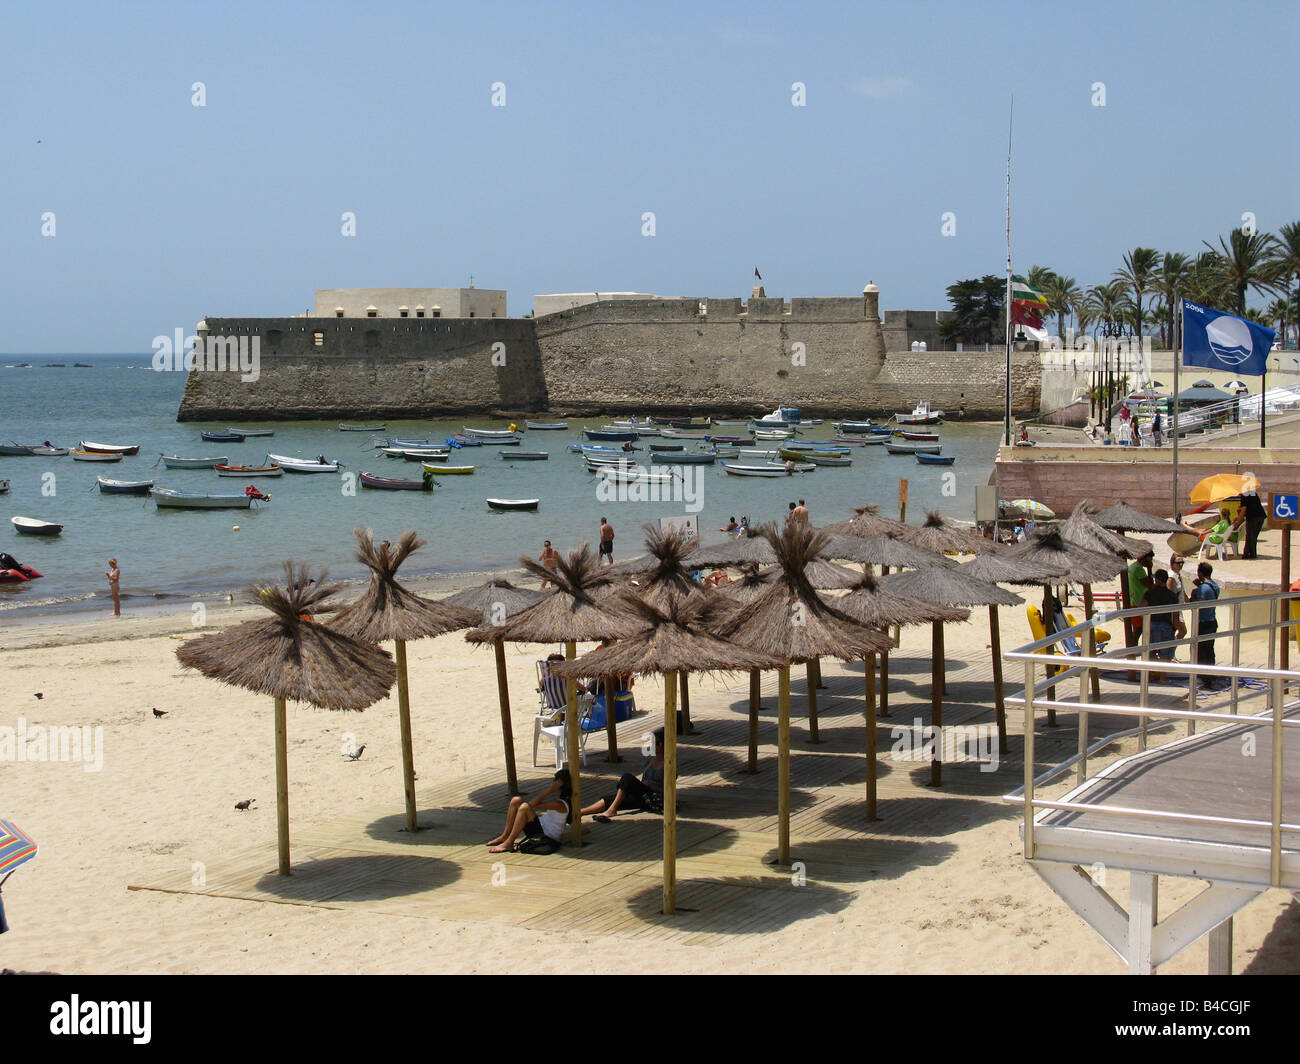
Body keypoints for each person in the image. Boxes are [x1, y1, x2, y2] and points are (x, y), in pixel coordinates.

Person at [582, 729, 666, 821]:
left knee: (627, 777)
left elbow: (667, 790)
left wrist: (648, 786)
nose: (653, 745)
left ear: (662, 745)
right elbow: (643, 780)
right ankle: (580, 812)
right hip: (643, 794)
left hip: (655, 796)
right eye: (652, 743)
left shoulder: (668, 764)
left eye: (656, 743)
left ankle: (612, 809)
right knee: (611, 799)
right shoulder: (650, 759)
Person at [487, 769, 571, 852]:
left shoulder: (560, 804)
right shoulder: (559, 802)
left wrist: (550, 790)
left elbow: (532, 804)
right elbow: (534, 804)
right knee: (516, 800)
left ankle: (509, 842)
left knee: (524, 807)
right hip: (541, 827)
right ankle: (505, 836)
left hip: (546, 836)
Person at [1141, 568, 1184, 683]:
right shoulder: (1172, 596)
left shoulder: (1149, 593)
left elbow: (1143, 607)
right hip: (1165, 626)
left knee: (1149, 652)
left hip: (1151, 625)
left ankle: (1148, 676)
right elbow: (1175, 617)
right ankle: (1163, 678)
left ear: (1158, 580)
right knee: (1165, 654)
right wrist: (1179, 629)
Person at [1190, 561, 1221, 687]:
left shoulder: (1203, 588)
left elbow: (1200, 604)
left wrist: (1193, 596)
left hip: (1203, 622)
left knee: (1201, 650)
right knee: (1209, 649)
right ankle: (1210, 674)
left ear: (1200, 573)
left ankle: (1203, 676)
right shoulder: (1214, 586)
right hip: (1212, 621)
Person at [1236, 485, 1266, 559]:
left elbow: (1243, 510)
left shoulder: (1244, 496)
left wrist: (1237, 523)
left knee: (1250, 536)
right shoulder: (1252, 493)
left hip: (1253, 517)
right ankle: (1249, 553)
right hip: (1261, 516)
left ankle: (1250, 554)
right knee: (1253, 536)